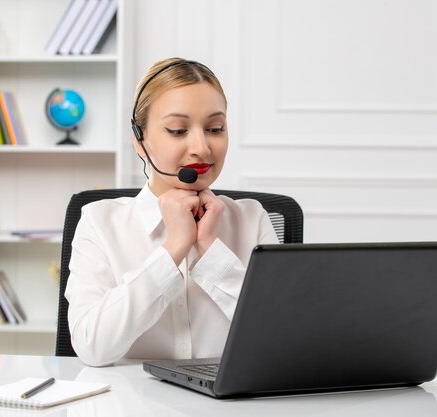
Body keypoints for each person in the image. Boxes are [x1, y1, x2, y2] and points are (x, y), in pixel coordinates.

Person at [65, 58, 278, 367]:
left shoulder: (252, 219)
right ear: (140, 141)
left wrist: (212, 253)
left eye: (215, 128)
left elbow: (279, 338)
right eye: (178, 130)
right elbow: (92, 346)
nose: (202, 147)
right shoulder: (99, 223)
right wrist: (173, 249)